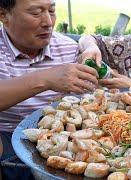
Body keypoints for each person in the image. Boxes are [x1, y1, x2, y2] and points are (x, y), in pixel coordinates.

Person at [0, 0, 99, 179]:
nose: (48, 22)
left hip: (62, 140)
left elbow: (93, 43)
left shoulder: (68, 48)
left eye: (52, 10)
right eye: (36, 13)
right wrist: (46, 78)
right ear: (3, 15)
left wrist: (89, 44)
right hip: (6, 141)